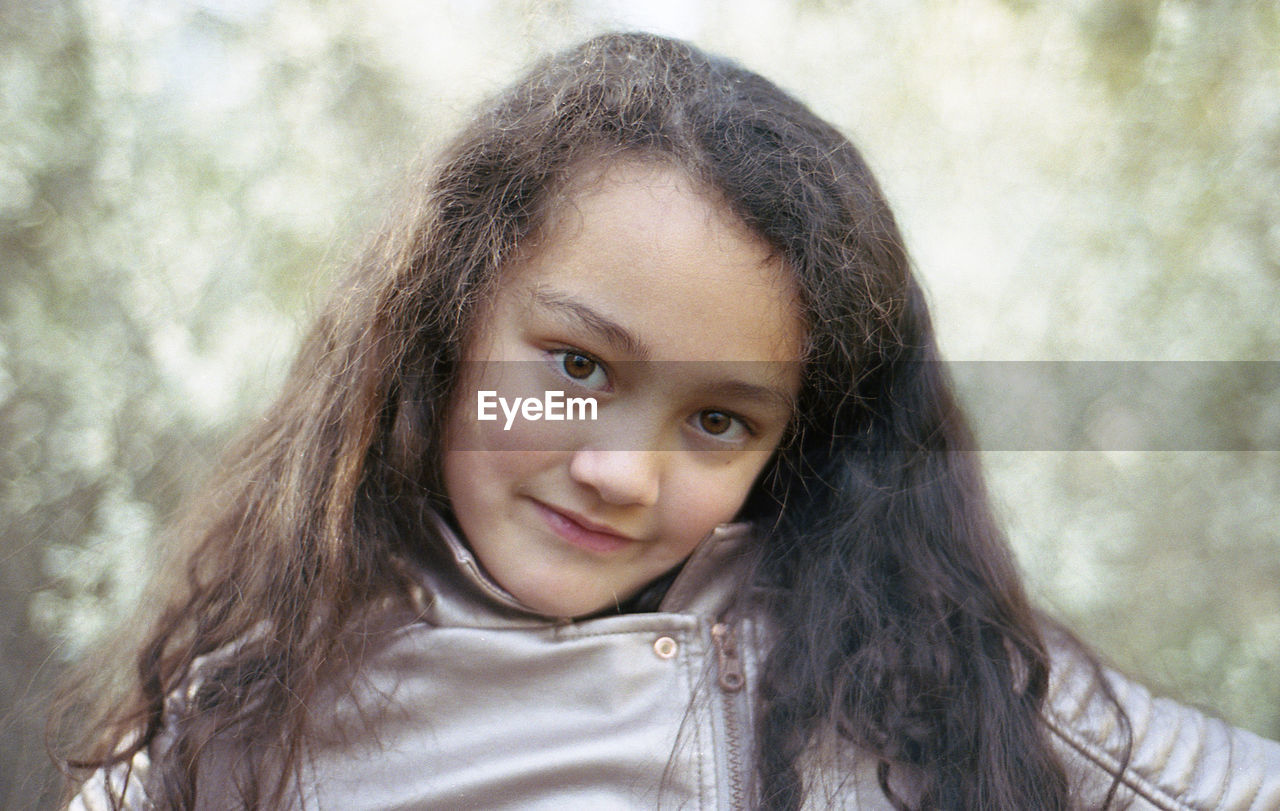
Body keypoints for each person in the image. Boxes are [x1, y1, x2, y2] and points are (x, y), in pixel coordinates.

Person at [53, 32, 1279, 810]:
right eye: (577, 365)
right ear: (443, 326)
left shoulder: (913, 672)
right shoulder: (233, 734)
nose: (617, 472)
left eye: (716, 422)